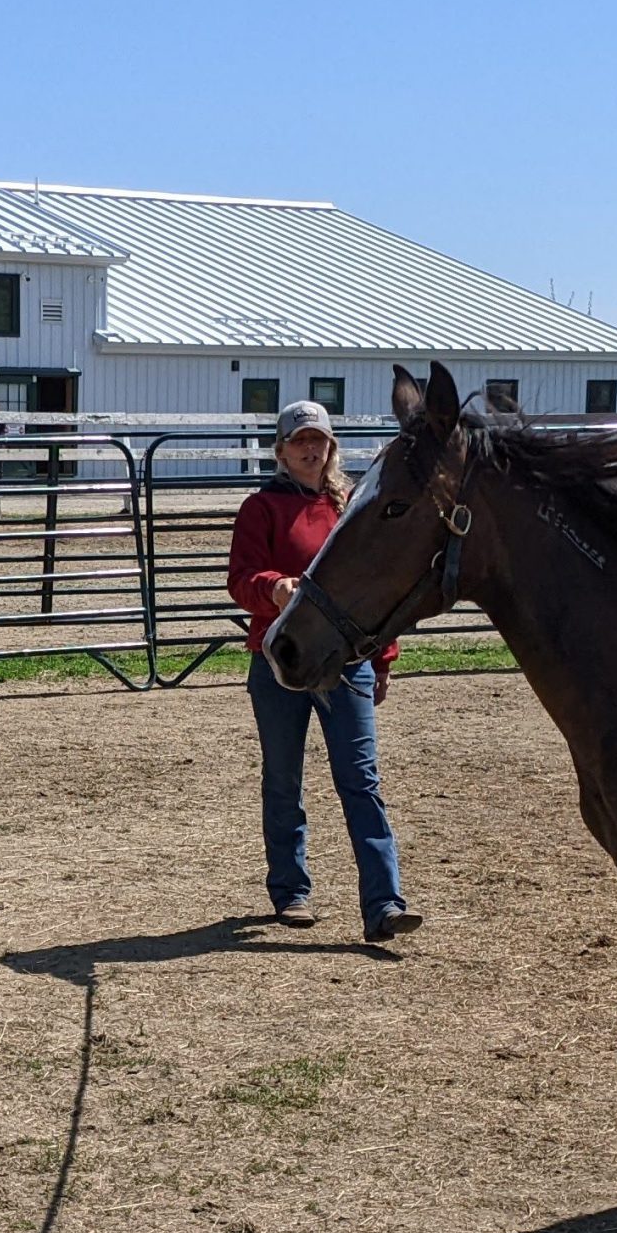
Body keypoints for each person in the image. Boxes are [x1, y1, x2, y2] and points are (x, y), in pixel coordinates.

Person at [225, 403, 423, 941]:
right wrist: (272, 588)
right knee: (283, 778)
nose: (311, 449)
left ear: (331, 447)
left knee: (361, 780)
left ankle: (385, 903)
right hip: (282, 662)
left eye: (319, 440)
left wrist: (383, 657)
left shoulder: (351, 506)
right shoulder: (261, 508)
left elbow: (375, 587)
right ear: (281, 451)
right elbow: (240, 578)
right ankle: (291, 891)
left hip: (346, 664)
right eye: (300, 441)